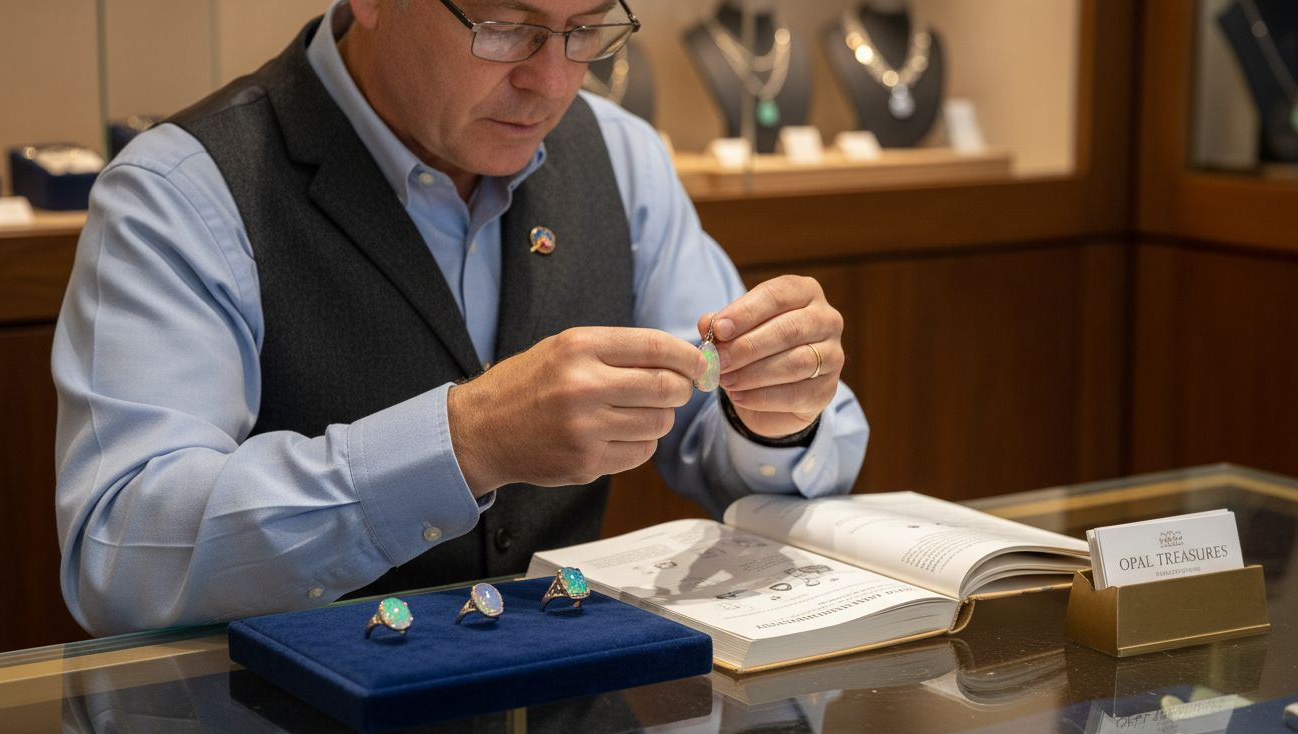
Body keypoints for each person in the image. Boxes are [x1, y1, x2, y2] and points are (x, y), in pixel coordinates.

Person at [52, 0, 869, 637]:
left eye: (585, 31)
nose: (552, 84)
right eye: (507, 29)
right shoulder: (182, 192)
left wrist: (774, 415)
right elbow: (122, 557)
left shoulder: (621, 156)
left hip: (571, 716)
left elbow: (729, 443)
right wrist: (464, 441)